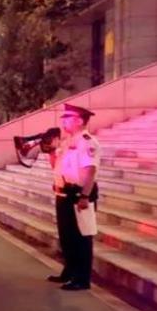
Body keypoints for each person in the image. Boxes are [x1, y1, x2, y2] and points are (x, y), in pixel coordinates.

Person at [49, 103, 100, 292]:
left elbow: (90, 170)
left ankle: (82, 278)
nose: (63, 121)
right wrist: (51, 151)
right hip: (63, 193)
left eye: (67, 118)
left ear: (79, 121)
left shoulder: (87, 142)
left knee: (81, 238)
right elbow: (57, 167)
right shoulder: (67, 142)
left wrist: (84, 196)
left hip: (78, 195)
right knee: (66, 237)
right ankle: (69, 271)